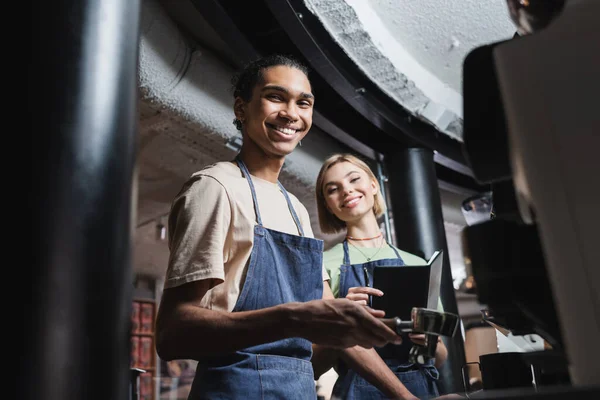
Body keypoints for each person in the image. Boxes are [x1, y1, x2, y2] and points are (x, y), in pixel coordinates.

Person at [155, 54, 415, 399]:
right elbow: (172, 333)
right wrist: (292, 318)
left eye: (303, 102)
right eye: (275, 97)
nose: (291, 113)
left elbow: (329, 328)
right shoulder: (215, 188)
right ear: (241, 108)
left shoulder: (296, 209)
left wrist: (409, 397)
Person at [313, 153, 449, 399]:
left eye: (354, 179)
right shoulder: (320, 265)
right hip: (356, 390)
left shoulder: (417, 264)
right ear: (328, 204)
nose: (347, 191)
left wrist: (427, 343)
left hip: (419, 389)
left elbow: (438, 356)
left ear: (373, 185)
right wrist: (342, 322)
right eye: (333, 189)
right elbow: (313, 365)